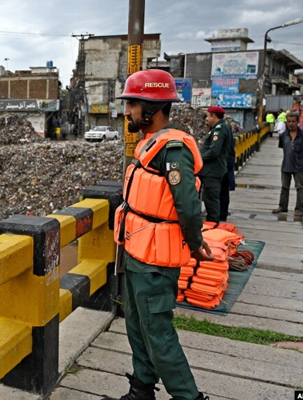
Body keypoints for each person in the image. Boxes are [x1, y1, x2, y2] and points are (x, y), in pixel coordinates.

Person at [110, 69, 213, 400]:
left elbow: (187, 204)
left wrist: (196, 244)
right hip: (138, 251)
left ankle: (188, 397)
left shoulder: (173, 149)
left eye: (133, 105)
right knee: (137, 327)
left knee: (158, 332)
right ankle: (141, 390)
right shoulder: (149, 144)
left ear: (151, 108)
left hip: (156, 261)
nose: (127, 111)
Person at [199, 106, 231, 223]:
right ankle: (212, 220)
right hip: (209, 170)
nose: (206, 119)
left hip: (212, 171)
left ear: (213, 116)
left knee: (211, 198)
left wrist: (198, 158)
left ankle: (213, 222)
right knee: (208, 197)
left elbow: (214, 151)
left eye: (208, 116)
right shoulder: (217, 128)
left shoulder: (219, 129)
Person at [272, 113, 303, 221]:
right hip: (286, 165)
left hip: (300, 166)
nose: (291, 124)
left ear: (297, 122)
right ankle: (282, 206)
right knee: (284, 187)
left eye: (293, 121)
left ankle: (299, 208)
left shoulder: (302, 135)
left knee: (300, 187)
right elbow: (283, 148)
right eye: (289, 122)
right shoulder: (283, 135)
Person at [220, 123, 236, 221]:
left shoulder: (222, 132)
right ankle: (223, 213)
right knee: (224, 191)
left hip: (223, 166)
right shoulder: (229, 133)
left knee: (222, 191)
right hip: (227, 165)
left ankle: (221, 213)